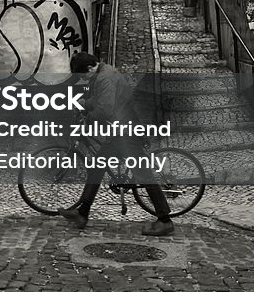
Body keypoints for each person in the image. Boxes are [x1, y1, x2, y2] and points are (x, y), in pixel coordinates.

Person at [61, 52, 174, 237]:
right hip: (120, 129)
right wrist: (87, 103)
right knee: (97, 166)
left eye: (83, 75)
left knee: (143, 174)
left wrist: (86, 111)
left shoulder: (104, 78)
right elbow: (104, 102)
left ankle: (165, 220)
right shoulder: (104, 71)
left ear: (90, 68)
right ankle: (82, 214)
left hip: (125, 131)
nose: (82, 79)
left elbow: (105, 110)